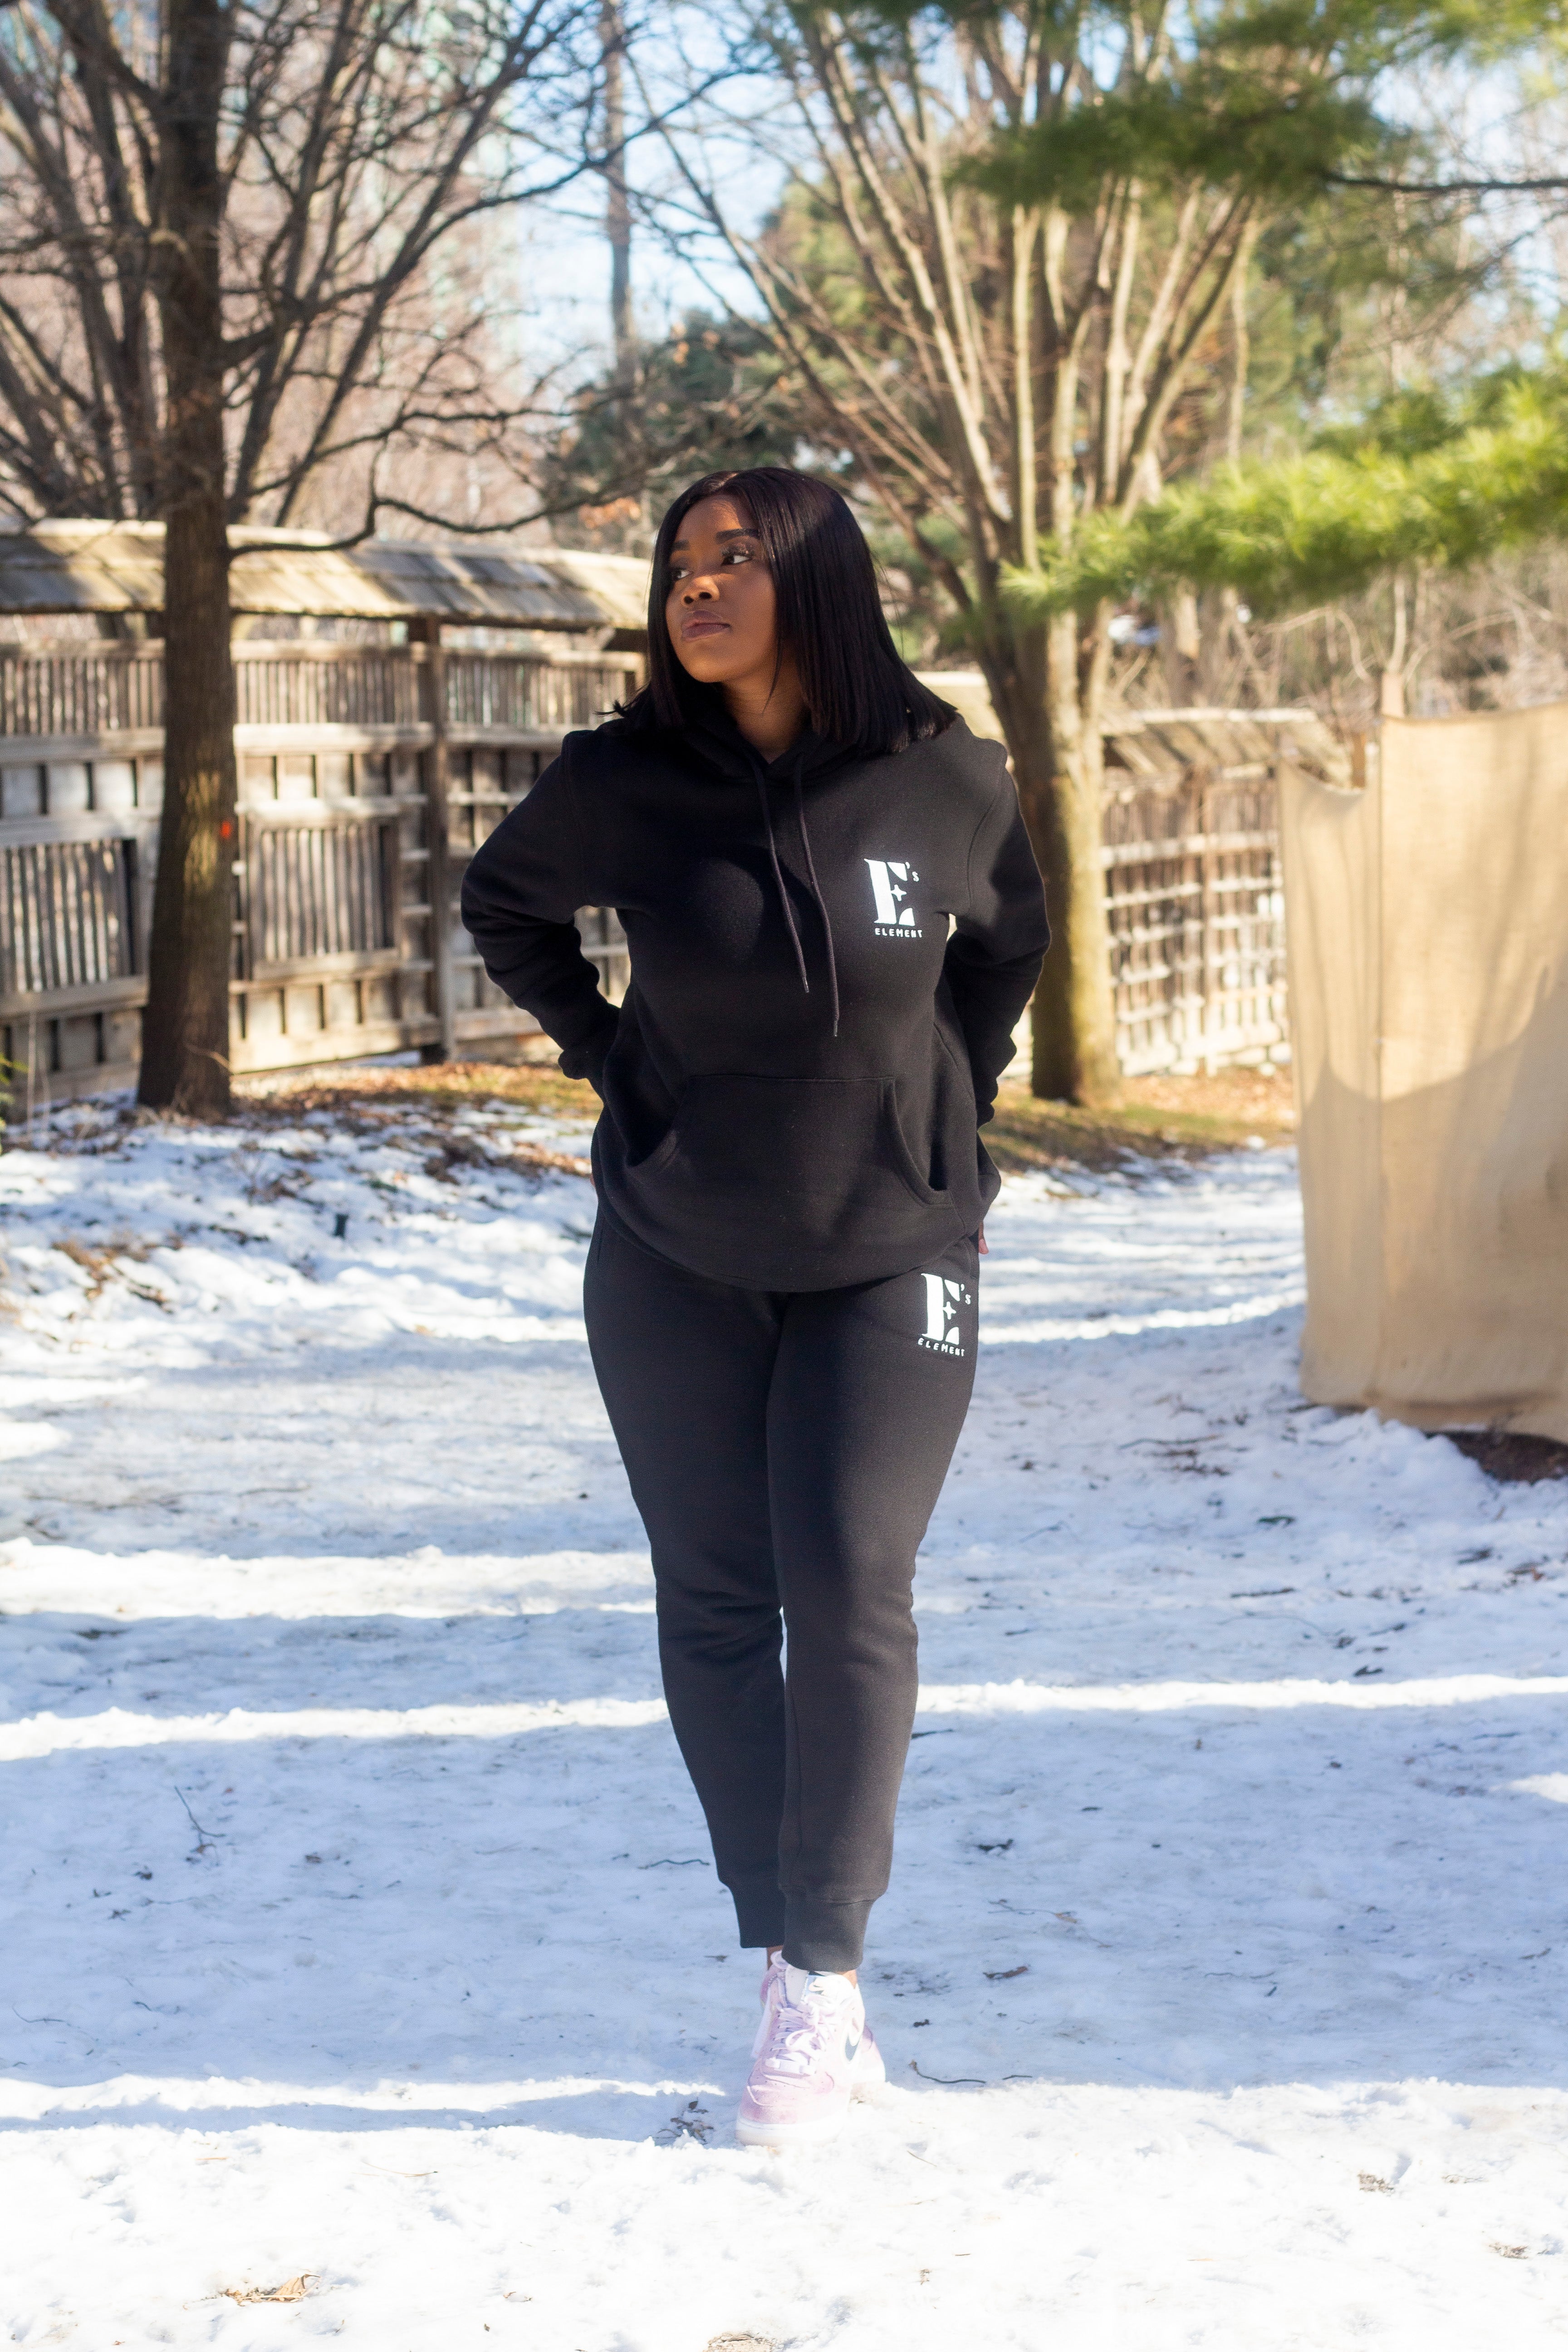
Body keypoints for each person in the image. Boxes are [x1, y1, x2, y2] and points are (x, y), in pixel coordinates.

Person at [461, 467, 1049, 2147]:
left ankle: (827, 1975)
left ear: (818, 579)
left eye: (734, 560)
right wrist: (608, 1056)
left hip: (895, 1252)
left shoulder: (947, 777)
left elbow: (1004, 949)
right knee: (719, 1598)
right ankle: (779, 1942)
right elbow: (506, 908)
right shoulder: (622, 780)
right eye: (678, 564)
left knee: (850, 1579)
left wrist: (950, 1103)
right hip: (674, 1250)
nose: (696, 587)